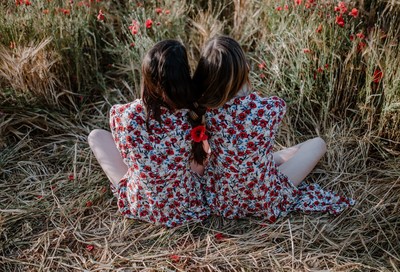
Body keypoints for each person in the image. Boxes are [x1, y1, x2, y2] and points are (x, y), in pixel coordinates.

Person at [191, 35, 354, 222]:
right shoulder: (271, 107)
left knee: (244, 157)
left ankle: (260, 164)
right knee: (317, 143)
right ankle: (263, 165)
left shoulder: (205, 112)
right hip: (264, 198)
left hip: (222, 200)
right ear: (245, 68)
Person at [88, 40, 210, 227]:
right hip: (186, 206)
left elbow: (126, 154)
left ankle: (144, 185)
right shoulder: (191, 115)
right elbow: (199, 165)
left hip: (143, 205)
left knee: (96, 136)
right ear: (184, 76)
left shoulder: (125, 114)